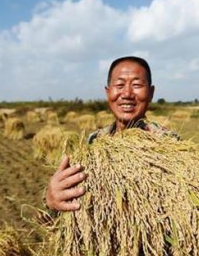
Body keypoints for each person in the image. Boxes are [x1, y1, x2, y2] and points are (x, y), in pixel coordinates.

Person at [44, 56, 179, 214]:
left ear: (151, 93)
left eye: (136, 85)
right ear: (108, 93)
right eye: (119, 85)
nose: (127, 93)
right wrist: (51, 196)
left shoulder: (169, 145)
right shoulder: (93, 142)